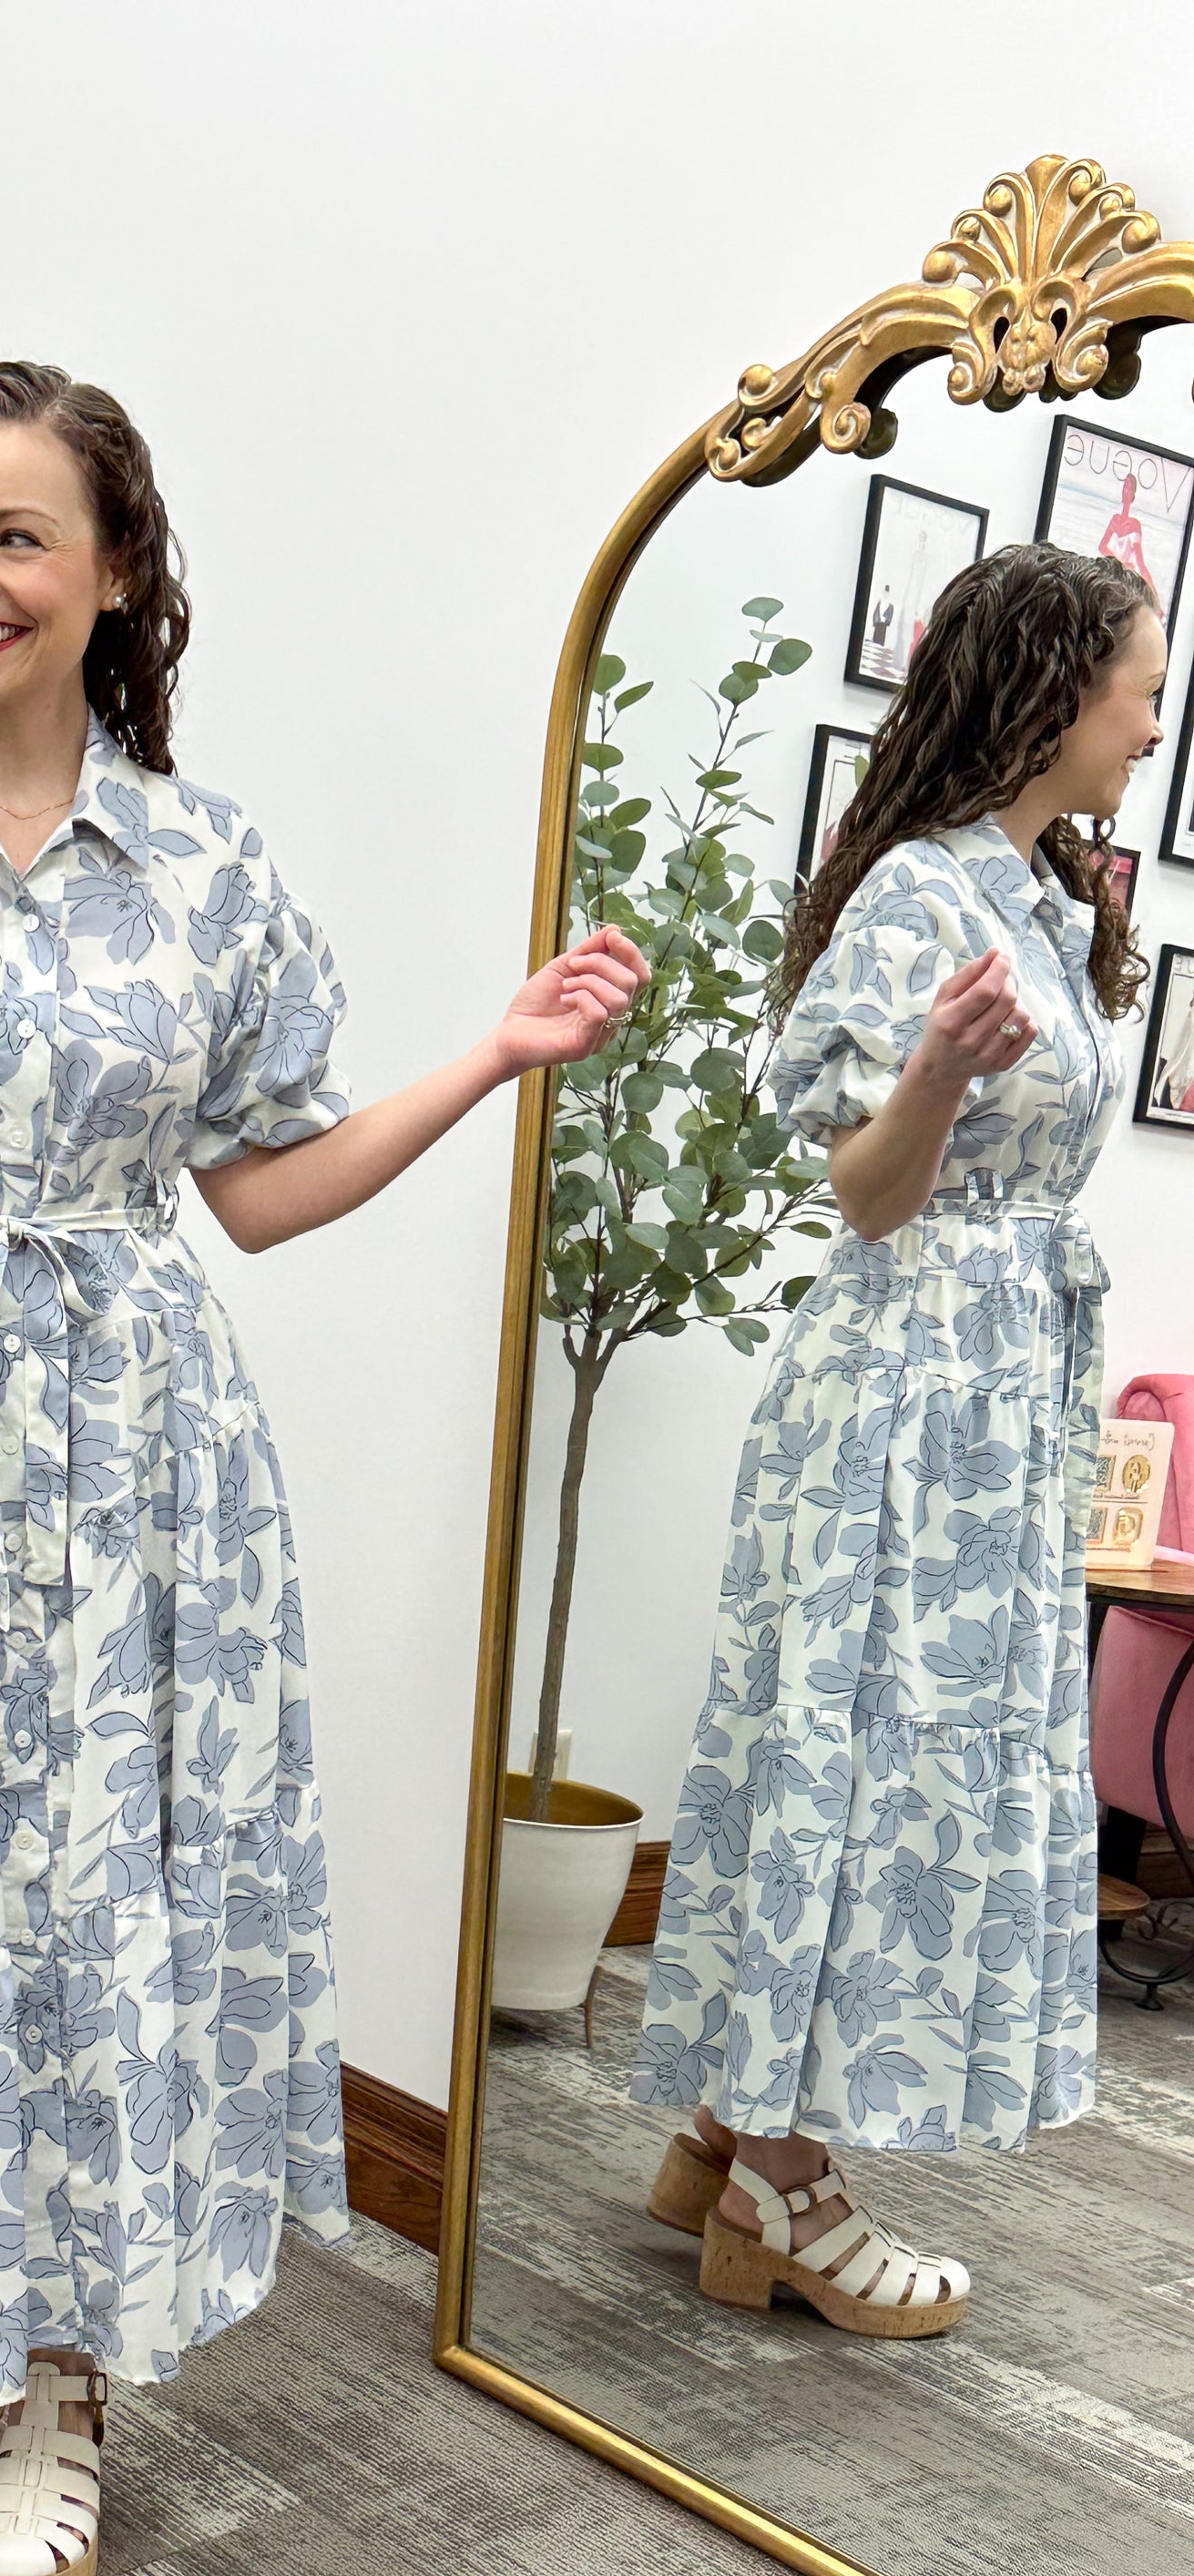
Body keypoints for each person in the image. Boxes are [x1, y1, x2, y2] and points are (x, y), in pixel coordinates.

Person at [0, 359, 645, 2576]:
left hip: (136, 1475)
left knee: (97, 1907)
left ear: (112, 574)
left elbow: (261, 1199)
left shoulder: (203, 865)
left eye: (12, 538)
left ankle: (65, 2375)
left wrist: (493, 1050)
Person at [630, 544, 1159, 2338]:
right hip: (910, 1383)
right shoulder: (918, 906)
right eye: (1140, 685)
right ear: (1052, 693)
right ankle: (784, 2182)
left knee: (881, 1748)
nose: (1156, 717)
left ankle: (724, 2128)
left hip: (998, 1387)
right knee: (857, 1755)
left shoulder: (1038, 887)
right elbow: (866, 1199)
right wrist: (936, 1068)